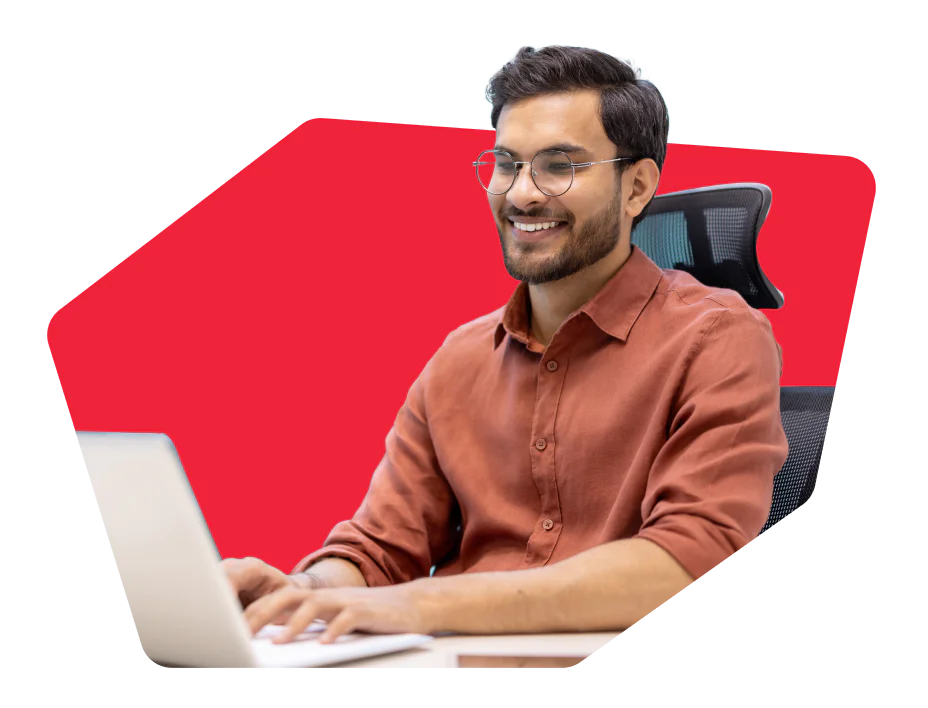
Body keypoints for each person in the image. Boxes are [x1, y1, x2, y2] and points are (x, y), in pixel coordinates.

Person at [223, 44, 789, 645]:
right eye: (506, 163)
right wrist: (303, 592)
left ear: (637, 187)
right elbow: (379, 552)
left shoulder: (718, 338)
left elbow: (690, 562)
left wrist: (422, 605)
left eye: (558, 166)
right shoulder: (459, 360)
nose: (520, 194)